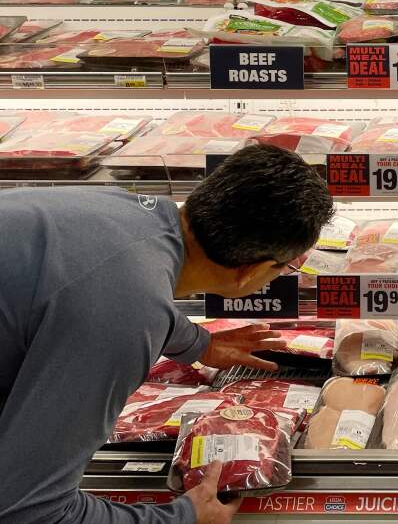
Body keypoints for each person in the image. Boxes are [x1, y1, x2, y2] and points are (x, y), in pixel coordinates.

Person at [0, 144, 334, 524]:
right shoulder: (123, 313)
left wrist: (198, 343)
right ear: (251, 270)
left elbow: (97, 280)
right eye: (288, 268)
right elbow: (26, 509)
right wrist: (181, 517)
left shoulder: (124, 208)